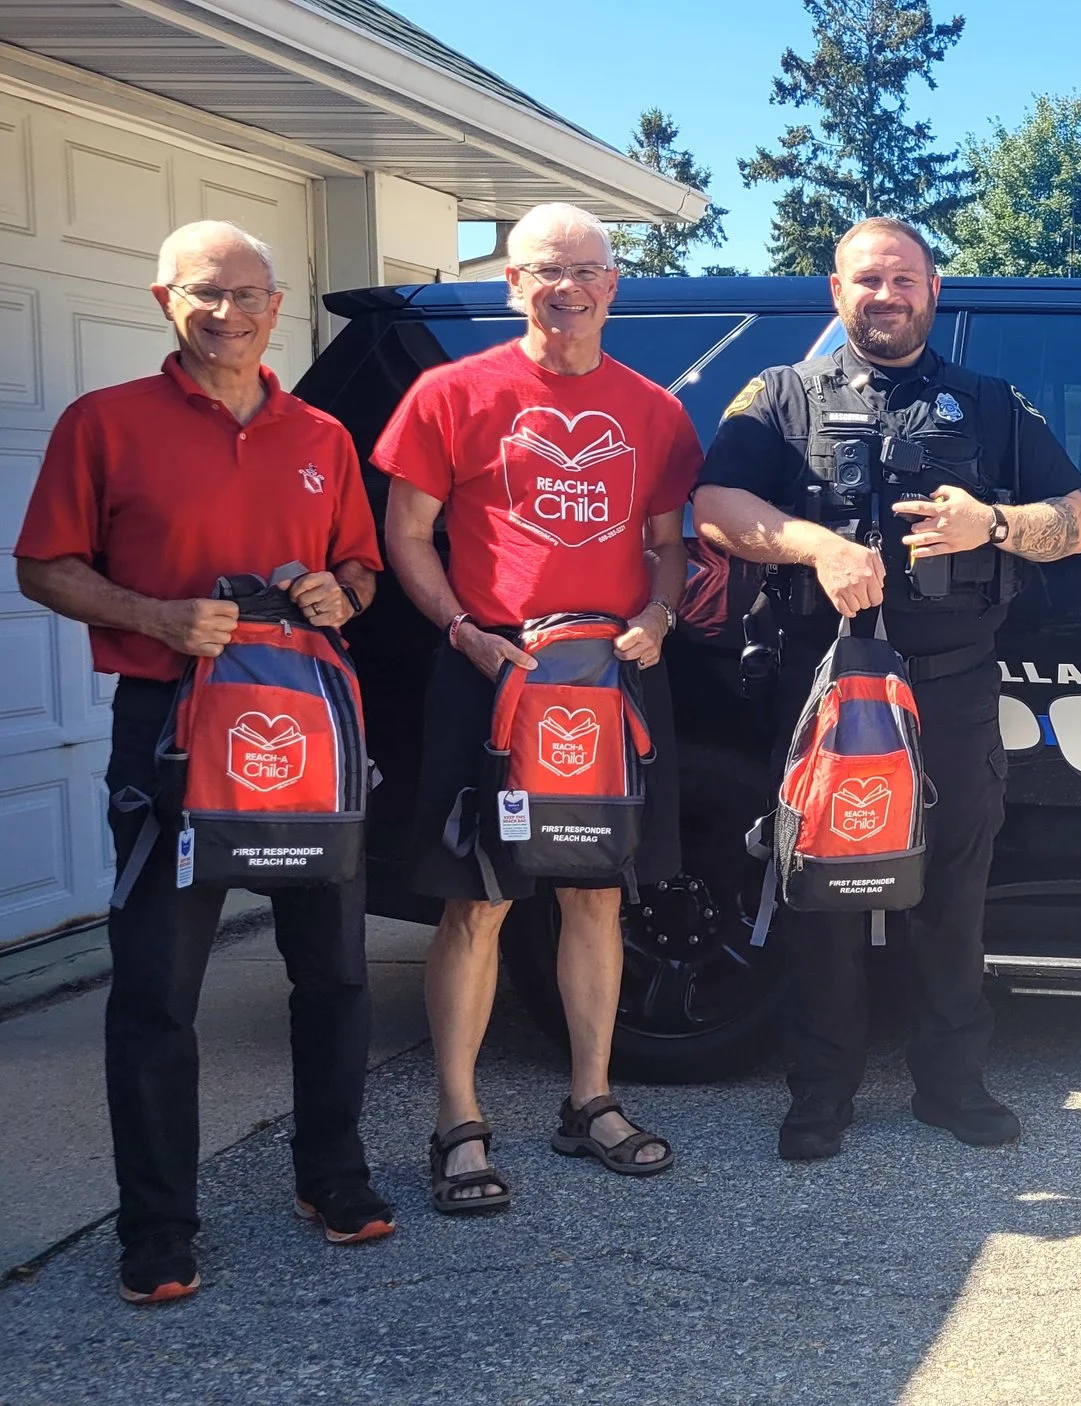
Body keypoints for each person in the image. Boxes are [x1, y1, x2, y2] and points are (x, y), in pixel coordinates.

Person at [15, 221, 390, 1303]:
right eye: (204, 294)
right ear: (161, 298)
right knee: (156, 986)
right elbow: (45, 564)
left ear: (278, 307)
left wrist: (343, 592)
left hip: (306, 722)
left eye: (247, 295)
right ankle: (157, 1225)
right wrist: (154, 615)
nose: (228, 313)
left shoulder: (321, 433)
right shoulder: (105, 423)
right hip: (169, 725)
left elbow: (361, 563)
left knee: (335, 968)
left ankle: (333, 1174)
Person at [692, 216, 1081, 1159]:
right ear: (836, 294)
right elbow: (714, 508)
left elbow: (1073, 522)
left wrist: (990, 524)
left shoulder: (992, 405)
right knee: (820, 891)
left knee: (952, 893)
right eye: (867, 280)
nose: (886, 295)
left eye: (904, 278)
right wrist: (819, 544)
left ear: (933, 292)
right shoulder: (779, 395)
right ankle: (822, 1091)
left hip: (949, 688)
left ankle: (951, 1088)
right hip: (821, 685)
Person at [372, 203, 701, 1213]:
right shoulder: (448, 393)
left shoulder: (653, 409)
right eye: (543, 271)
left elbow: (667, 543)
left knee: (597, 892)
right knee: (479, 898)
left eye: (585, 271)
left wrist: (658, 612)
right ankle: (458, 1122)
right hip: (491, 672)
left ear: (614, 285)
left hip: (608, 680)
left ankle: (589, 1099)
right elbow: (408, 535)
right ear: (512, 282)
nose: (566, 288)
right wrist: (463, 631)